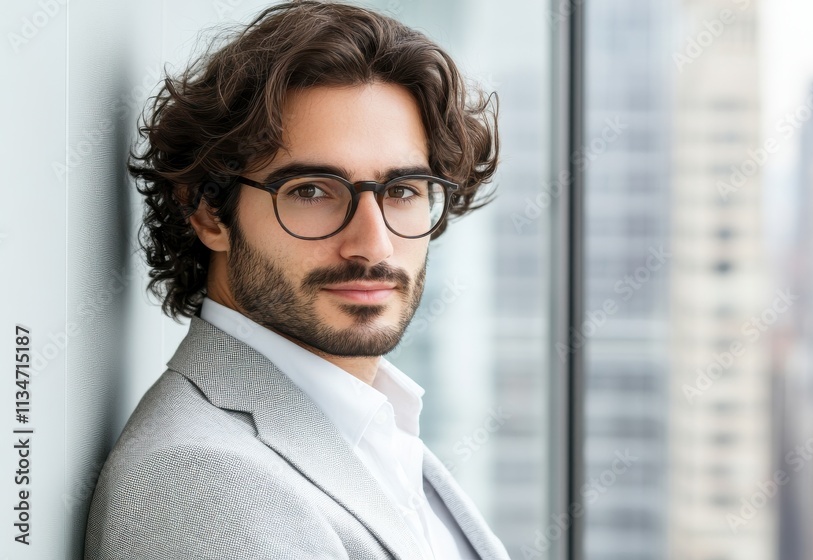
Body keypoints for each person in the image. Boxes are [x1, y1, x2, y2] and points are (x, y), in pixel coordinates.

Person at [83, 2, 506, 558]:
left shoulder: (375, 424)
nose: (373, 245)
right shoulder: (202, 485)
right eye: (311, 190)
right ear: (211, 211)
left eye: (402, 191)